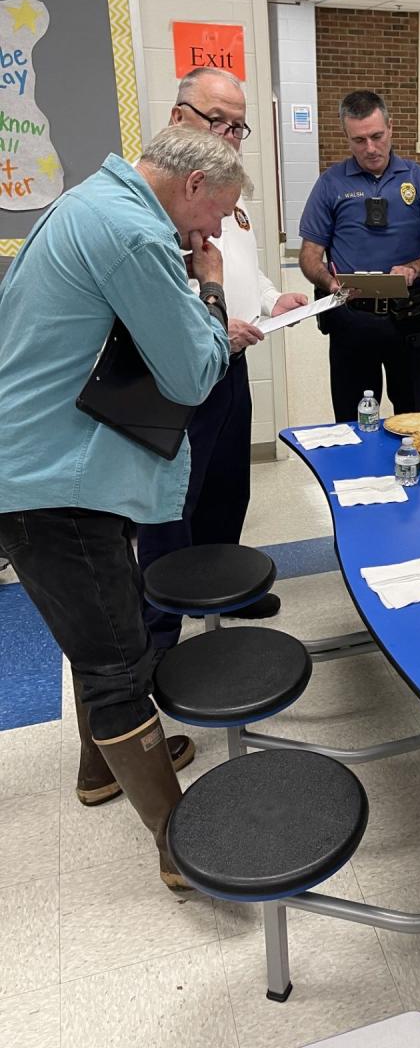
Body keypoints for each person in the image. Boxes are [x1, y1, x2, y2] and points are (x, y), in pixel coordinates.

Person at [0, 127, 245, 889]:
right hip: (54, 483)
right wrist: (208, 284)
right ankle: (181, 849)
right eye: (215, 218)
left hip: (37, 464)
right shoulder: (136, 233)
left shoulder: (91, 203)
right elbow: (195, 372)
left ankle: (102, 768)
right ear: (195, 185)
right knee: (115, 660)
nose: (210, 234)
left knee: (97, 629)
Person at [136, 68, 307, 652]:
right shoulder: (157, 193)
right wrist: (211, 320)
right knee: (174, 499)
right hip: (179, 370)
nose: (232, 134)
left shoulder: (227, 188)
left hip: (230, 360)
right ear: (180, 116)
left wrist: (267, 300)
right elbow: (155, 293)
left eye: (240, 125)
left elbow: (242, 266)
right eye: (220, 122)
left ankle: (224, 589)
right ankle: (161, 628)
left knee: (229, 483)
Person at [299, 91, 420, 422]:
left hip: (409, 319)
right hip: (351, 321)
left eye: (376, 136)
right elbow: (309, 256)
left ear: (391, 128)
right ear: (347, 138)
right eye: (359, 140)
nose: (370, 148)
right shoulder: (330, 185)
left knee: (413, 423)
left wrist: (415, 267)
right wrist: (329, 282)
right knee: (353, 424)